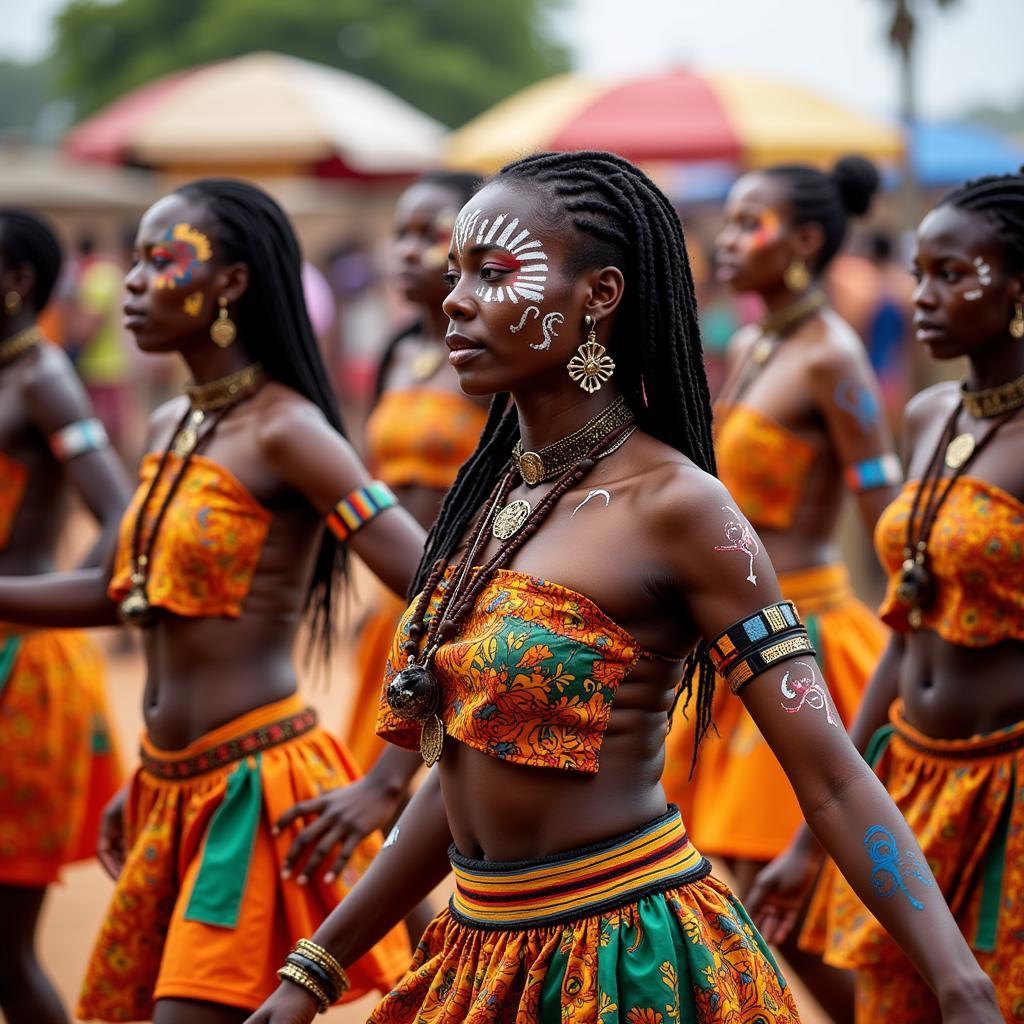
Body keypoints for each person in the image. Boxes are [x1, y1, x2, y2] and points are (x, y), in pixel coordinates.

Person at [244, 151, 1001, 1024]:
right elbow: (462, 771)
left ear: (599, 296)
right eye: (455, 275)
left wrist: (960, 984)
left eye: (493, 274)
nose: (454, 299)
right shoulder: (492, 495)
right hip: (475, 961)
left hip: (625, 965)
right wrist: (313, 972)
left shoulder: (682, 509)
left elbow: (831, 779)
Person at [0, 181, 427, 1024]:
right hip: (168, 785)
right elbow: (115, 590)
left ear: (229, 285)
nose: (132, 282)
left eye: (162, 261)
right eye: (137, 262)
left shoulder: (289, 431)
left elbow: (440, 591)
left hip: (250, 792)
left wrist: (388, 778)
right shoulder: (168, 426)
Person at [749, 171, 1024, 1023]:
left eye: (953, 273)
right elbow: (904, 632)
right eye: (920, 272)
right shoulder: (935, 413)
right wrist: (808, 842)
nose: (924, 297)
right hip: (910, 781)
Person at [658, 158, 899, 1017]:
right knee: (733, 875)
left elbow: (888, 512)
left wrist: (912, 628)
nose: (725, 243)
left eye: (747, 224)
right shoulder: (761, 341)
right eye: (726, 223)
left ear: (801, 242)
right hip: (733, 635)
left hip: (803, 634)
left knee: (779, 890)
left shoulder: (834, 357)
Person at [0, 209, 128, 1024]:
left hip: (19, 677)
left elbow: (123, 515)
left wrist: (55, 609)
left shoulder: (42, 377)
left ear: (15, 282)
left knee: (2, 951)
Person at [343, 170, 487, 772]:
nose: (406, 250)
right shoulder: (398, 354)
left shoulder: (488, 363)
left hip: (464, 605)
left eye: (428, 233)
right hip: (391, 604)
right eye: (399, 233)